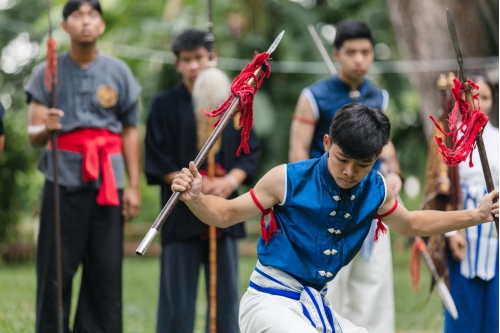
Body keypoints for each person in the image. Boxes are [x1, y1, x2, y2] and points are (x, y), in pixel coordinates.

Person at [172, 102, 498, 333]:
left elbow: (412, 223)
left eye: (362, 164)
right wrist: (197, 198)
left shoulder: (376, 188)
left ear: (377, 158)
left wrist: (478, 214)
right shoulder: (286, 179)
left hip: (315, 303)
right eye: (342, 159)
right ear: (327, 143)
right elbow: (227, 213)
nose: (349, 172)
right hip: (268, 301)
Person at [25, 1, 141, 332]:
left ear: (102, 25)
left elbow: (131, 132)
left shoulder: (119, 72)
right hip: (61, 178)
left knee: (105, 271)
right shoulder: (47, 71)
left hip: (109, 180)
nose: (86, 22)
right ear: (64, 26)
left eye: (92, 15)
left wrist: (132, 186)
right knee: (54, 270)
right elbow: (32, 134)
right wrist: (45, 127)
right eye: (77, 15)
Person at [144, 29, 260, 333]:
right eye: (187, 60)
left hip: (224, 208)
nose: (195, 65)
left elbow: (250, 151)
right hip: (178, 211)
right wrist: (186, 183)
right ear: (177, 63)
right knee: (176, 299)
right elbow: (157, 158)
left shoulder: (236, 104)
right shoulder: (164, 105)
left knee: (225, 296)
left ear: (213, 58)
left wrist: (230, 180)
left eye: (200, 58)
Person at [289, 19, 399, 332]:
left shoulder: (380, 98)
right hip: (324, 205)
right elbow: (297, 155)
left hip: (370, 203)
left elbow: (387, 153)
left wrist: (393, 175)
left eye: (365, 51)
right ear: (337, 53)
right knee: (329, 285)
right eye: (351, 51)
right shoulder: (314, 96)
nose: (359, 59)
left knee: (373, 285)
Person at [443, 74, 499, 333]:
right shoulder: (450, 138)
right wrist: (451, 231)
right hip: (462, 225)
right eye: (471, 96)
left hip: (495, 228)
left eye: (484, 97)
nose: (477, 103)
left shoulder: (498, 138)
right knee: (464, 305)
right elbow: (441, 189)